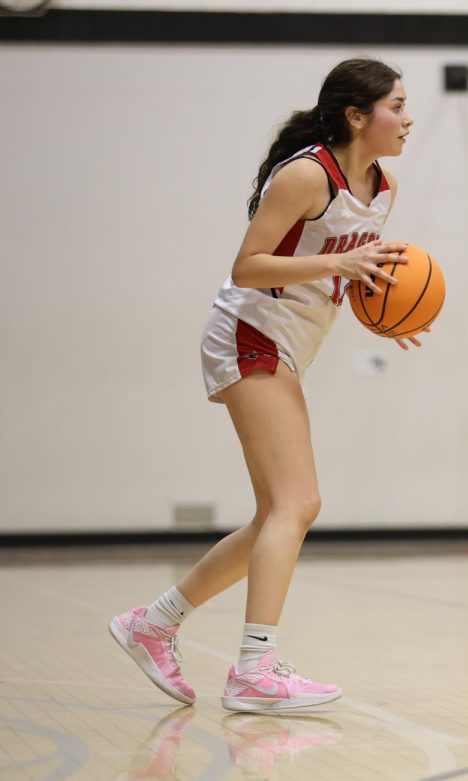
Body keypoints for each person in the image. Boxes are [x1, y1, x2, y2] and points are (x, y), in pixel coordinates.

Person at [109, 58, 418, 712]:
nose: (408, 117)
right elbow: (248, 265)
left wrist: (386, 312)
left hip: (287, 343)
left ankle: (153, 624)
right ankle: (255, 667)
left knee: (274, 516)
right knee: (298, 504)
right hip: (250, 332)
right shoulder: (308, 173)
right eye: (396, 104)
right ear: (357, 115)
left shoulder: (383, 183)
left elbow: (347, 273)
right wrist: (342, 261)